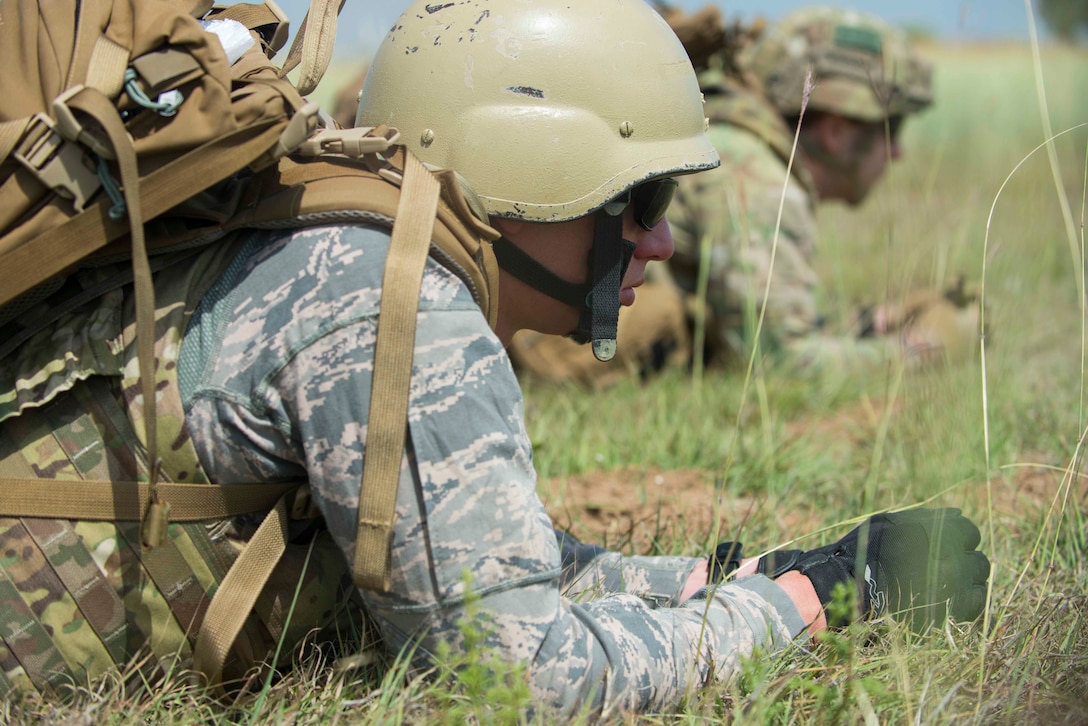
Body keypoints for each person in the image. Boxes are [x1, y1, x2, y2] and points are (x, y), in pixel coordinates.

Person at [0, 0, 988, 718]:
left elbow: (486, 567)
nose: (660, 245)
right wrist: (797, 612)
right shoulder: (385, 295)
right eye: (640, 201)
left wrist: (724, 577)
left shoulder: (345, 247)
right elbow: (520, 679)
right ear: (536, 176)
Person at [665, 5, 982, 372]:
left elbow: (774, 322)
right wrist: (925, 349)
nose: (898, 152)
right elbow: (781, 360)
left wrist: (879, 321)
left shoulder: (739, 152)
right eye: (892, 129)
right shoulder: (757, 182)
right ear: (836, 132)